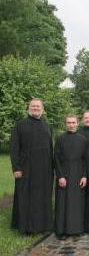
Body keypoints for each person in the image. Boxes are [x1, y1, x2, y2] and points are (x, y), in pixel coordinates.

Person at [10, 98, 54, 234]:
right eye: (33, 106)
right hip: (26, 168)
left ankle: (42, 225)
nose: (35, 108)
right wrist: (16, 167)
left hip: (44, 169)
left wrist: (51, 168)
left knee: (42, 197)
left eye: (38, 106)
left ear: (42, 109)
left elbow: (50, 149)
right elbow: (14, 148)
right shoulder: (20, 125)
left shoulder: (47, 126)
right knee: (26, 196)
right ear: (28, 108)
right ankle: (26, 227)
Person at [54, 115, 89, 239]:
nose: (71, 125)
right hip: (64, 173)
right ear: (65, 124)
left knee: (77, 203)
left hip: (78, 173)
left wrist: (84, 176)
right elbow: (56, 159)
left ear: (77, 124)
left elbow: (86, 160)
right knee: (63, 203)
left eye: (73, 122)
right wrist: (60, 176)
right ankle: (62, 231)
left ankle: (76, 229)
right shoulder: (60, 139)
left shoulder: (83, 139)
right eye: (68, 122)